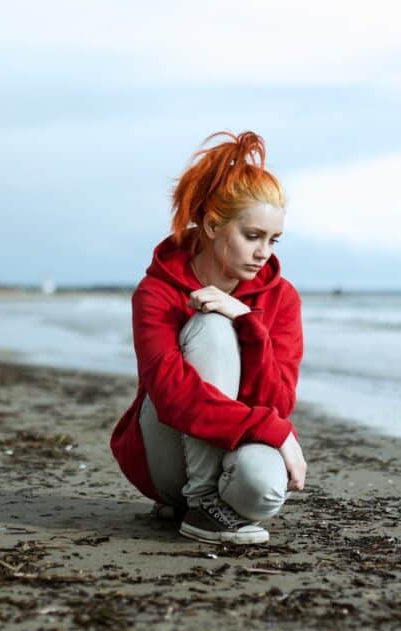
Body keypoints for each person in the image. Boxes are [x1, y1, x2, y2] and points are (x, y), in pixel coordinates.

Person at [110, 130, 306, 546]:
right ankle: (200, 501)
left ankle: (213, 511)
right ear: (215, 225)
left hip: (237, 443)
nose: (264, 252)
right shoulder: (157, 292)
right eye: (252, 236)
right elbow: (171, 395)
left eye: (273, 240)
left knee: (264, 490)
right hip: (165, 457)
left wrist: (251, 327)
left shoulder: (282, 298)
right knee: (212, 326)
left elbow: (278, 402)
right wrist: (276, 431)